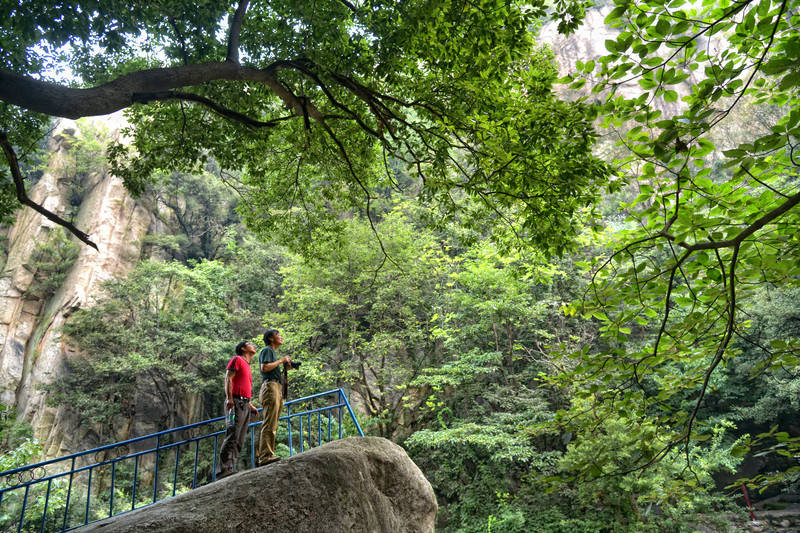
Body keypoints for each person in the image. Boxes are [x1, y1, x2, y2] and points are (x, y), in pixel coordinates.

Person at [217, 341, 258, 478]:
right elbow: (229, 378)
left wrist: (250, 404)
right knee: (233, 434)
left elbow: (242, 385)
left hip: (244, 403)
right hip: (235, 402)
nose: (254, 345)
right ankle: (222, 470)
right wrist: (229, 398)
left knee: (240, 437)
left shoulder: (247, 365)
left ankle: (230, 467)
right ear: (243, 348)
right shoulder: (237, 359)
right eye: (250, 344)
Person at [256, 329, 291, 466]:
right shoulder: (267, 350)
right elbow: (264, 368)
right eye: (278, 335)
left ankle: (268, 454)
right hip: (271, 387)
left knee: (273, 422)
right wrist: (281, 360)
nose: (281, 337)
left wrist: (285, 369)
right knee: (269, 422)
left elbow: (271, 369)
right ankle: (265, 456)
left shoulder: (272, 353)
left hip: (275, 387)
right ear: (271, 339)